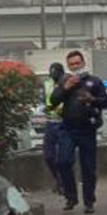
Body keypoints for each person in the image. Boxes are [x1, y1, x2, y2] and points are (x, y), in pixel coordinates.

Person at [49, 51, 107, 213]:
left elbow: (106, 102)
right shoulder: (64, 81)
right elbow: (53, 101)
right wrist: (65, 87)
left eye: (77, 63)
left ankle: (89, 201)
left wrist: (92, 99)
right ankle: (71, 197)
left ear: (83, 63)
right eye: (72, 64)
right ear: (68, 66)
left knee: (88, 167)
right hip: (68, 128)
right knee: (62, 162)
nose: (75, 66)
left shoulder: (94, 81)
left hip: (87, 129)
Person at [41, 63, 66, 194]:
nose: (54, 75)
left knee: (63, 157)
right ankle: (59, 180)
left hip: (64, 123)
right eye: (52, 73)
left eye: (56, 72)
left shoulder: (67, 82)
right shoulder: (47, 84)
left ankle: (64, 183)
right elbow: (44, 101)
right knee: (48, 156)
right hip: (50, 122)